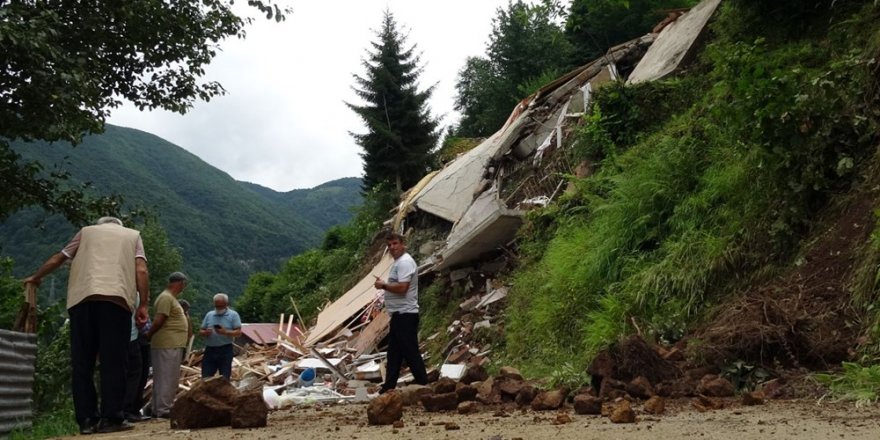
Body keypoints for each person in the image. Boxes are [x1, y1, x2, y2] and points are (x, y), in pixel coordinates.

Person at [24, 216, 149, 434]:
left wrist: (36, 277)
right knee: (114, 362)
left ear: (100, 225)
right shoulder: (132, 236)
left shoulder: (86, 232)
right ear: (118, 225)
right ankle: (111, 418)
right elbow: (141, 270)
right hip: (115, 302)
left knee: (82, 362)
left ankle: (87, 420)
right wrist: (144, 304)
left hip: (82, 302)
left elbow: (59, 258)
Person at [373, 232, 428, 393]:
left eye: (395, 243)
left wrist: (383, 285)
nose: (392, 247)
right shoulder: (399, 262)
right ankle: (388, 386)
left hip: (405, 314)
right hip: (399, 314)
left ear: (403, 244)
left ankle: (423, 383)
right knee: (394, 353)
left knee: (410, 351)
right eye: (389, 245)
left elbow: (403, 288)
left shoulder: (404, 262)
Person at [145, 272, 189, 418]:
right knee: (167, 377)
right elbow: (159, 320)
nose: (183, 287)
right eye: (184, 284)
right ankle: (163, 409)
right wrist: (149, 334)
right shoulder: (166, 298)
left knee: (165, 376)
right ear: (180, 283)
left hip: (171, 343)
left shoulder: (169, 298)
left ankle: (158, 407)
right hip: (167, 343)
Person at [199, 293, 242, 380]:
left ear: (226, 304)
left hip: (225, 349)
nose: (218, 308)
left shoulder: (233, 315)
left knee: (224, 377)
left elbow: (238, 332)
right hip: (210, 349)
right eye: (217, 306)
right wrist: (205, 332)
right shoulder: (209, 315)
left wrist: (225, 332)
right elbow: (201, 331)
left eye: (221, 306)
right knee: (206, 376)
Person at [122, 297, 150, 422]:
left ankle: (132, 409)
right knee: (134, 376)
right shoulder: (134, 296)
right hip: (134, 339)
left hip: (137, 339)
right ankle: (128, 409)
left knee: (140, 376)